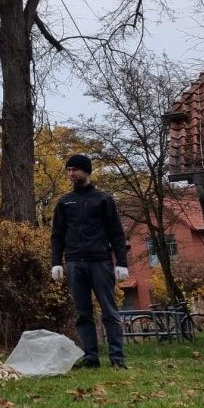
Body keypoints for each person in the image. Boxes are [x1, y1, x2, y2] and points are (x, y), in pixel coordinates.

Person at [50, 153, 130, 369]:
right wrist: (56, 262)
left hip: (100, 262)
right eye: (68, 170)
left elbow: (116, 233)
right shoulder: (65, 202)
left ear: (86, 171)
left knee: (109, 311)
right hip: (75, 262)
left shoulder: (103, 200)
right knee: (82, 312)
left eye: (75, 169)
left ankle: (117, 357)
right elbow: (57, 235)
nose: (71, 173)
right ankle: (91, 357)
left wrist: (122, 262)